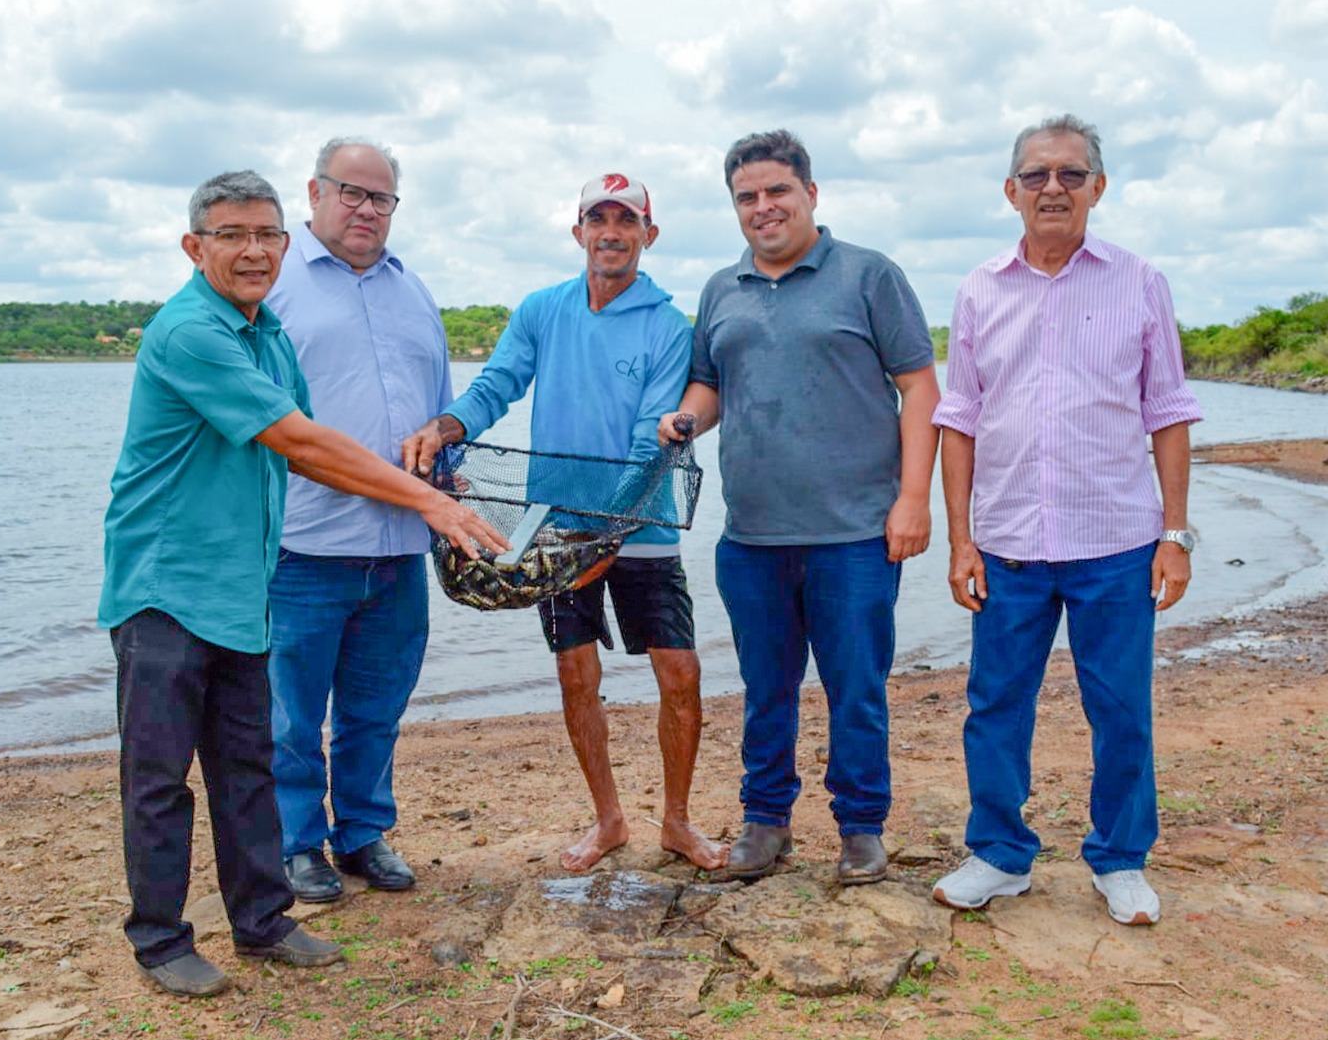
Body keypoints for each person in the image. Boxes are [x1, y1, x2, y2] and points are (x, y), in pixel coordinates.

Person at [99, 171, 505, 997]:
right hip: (164, 588)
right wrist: (424, 501)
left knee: (246, 765)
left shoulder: (268, 333)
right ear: (194, 247)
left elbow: (314, 444)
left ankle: (262, 921)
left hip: (244, 585)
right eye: (231, 236)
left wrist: (431, 483)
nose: (252, 251)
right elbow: (301, 441)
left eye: (265, 236)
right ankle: (160, 941)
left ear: (285, 246)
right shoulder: (188, 334)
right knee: (158, 777)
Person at [403, 174, 727, 874]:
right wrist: (448, 425)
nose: (612, 231)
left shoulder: (671, 326)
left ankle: (676, 822)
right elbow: (497, 385)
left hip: (640, 529)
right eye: (597, 218)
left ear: (650, 233)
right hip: (553, 533)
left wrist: (608, 532)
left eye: (627, 220)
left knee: (680, 672)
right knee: (577, 675)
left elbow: (653, 437)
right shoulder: (541, 310)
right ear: (577, 230)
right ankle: (608, 820)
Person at [929, 114, 1203, 926]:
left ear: (1098, 188)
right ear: (1010, 191)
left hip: (1116, 541)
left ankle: (1120, 859)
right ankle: (1000, 854)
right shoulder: (980, 288)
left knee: (1120, 706)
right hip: (1008, 543)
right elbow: (960, 417)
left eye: (1072, 174)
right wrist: (960, 538)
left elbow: (1169, 411)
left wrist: (1176, 535)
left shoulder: (1139, 281)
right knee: (995, 705)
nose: (1055, 187)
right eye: (1038, 174)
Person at [659, 130, 940, 886]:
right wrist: (686, 418)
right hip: (751, 537)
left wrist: (915, 499)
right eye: (746, 197)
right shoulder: (722, 289)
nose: (763, 207)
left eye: (777, 191)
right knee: (765, 689)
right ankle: (765, 823)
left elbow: (920, 387)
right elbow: (708, 384)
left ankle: (860, 827)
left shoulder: (869, 275)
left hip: (854, 534)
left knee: (856, 689)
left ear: (811, 194)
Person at [263, 138, 452, 904]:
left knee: (377, 707)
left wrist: (441, 452)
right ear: (314, 193)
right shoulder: (274, 286)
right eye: (352, 192)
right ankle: (295, 843)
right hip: (304, 543)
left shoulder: (414, 292)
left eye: (381, 198)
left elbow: (435, 407)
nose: (367, 209)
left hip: (401, 544)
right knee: (291, 714)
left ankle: (364, 834)